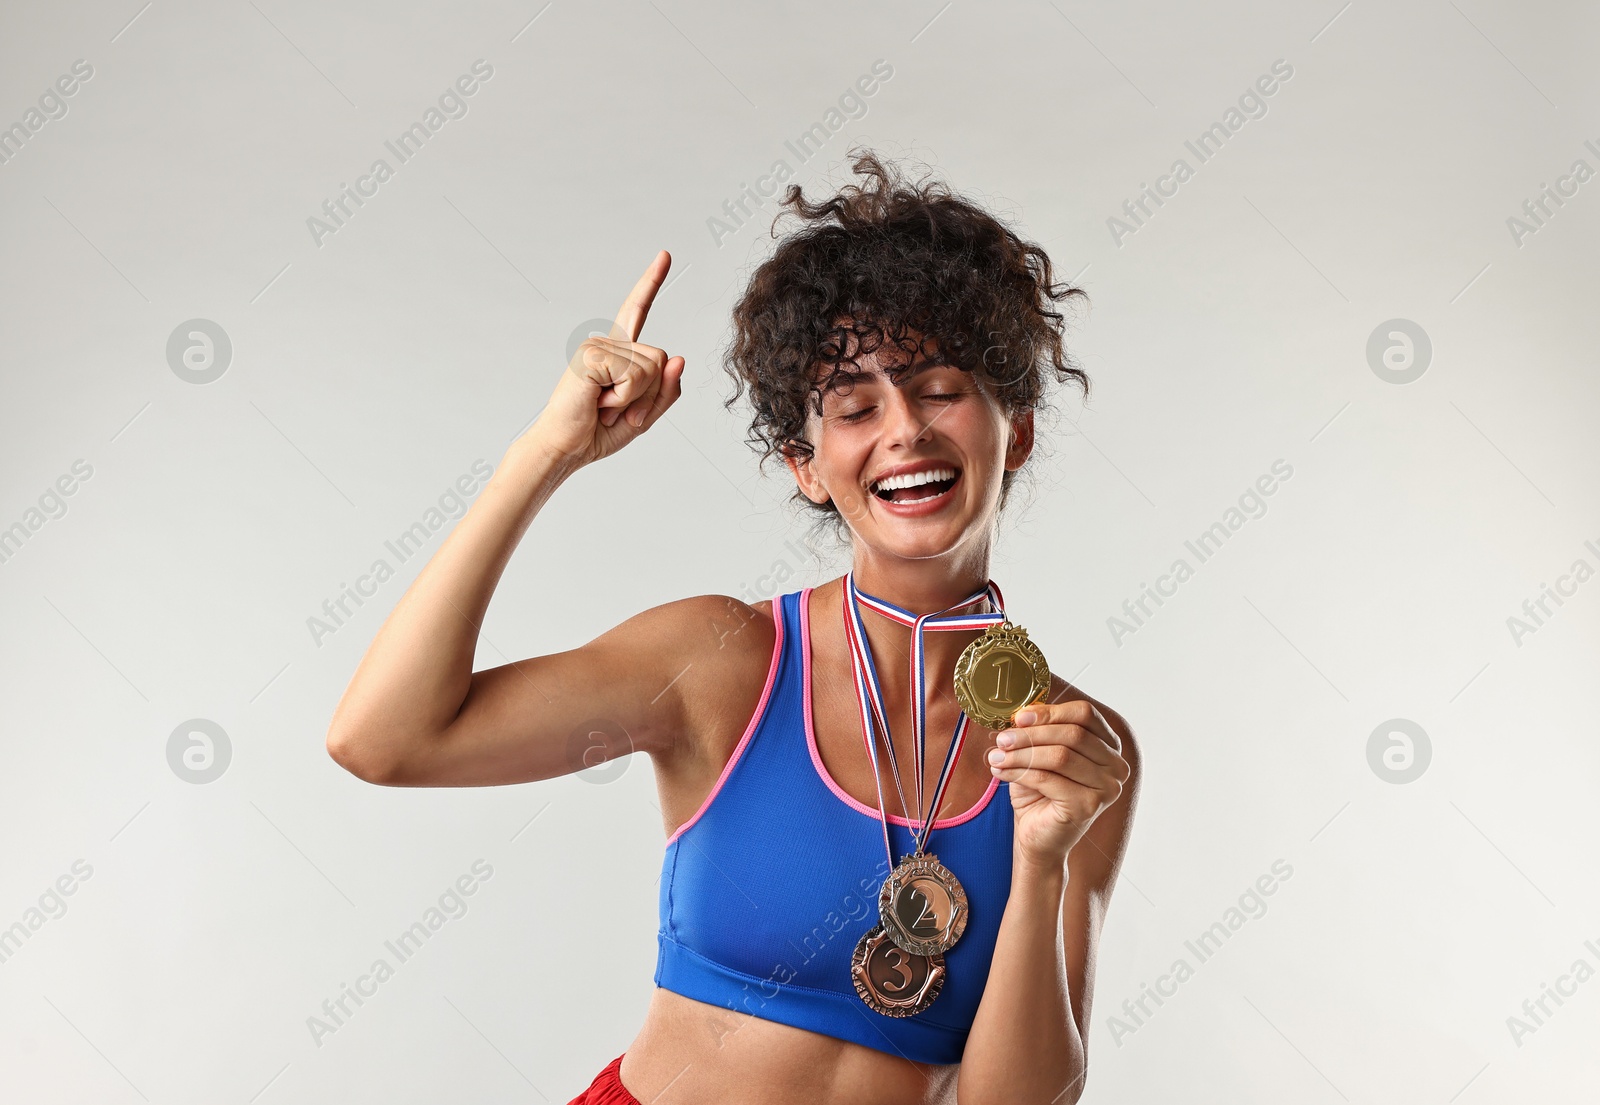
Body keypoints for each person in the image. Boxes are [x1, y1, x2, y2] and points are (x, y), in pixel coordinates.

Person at [325, 150, 1140, 1105]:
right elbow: (382, 739)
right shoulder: (722, 658)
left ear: (1019, 427)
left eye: (940, 389)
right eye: (854, 406)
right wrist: (545, 454)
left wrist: (1040, 852)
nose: (904, 431)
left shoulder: (1079, 752)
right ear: (806, 463)